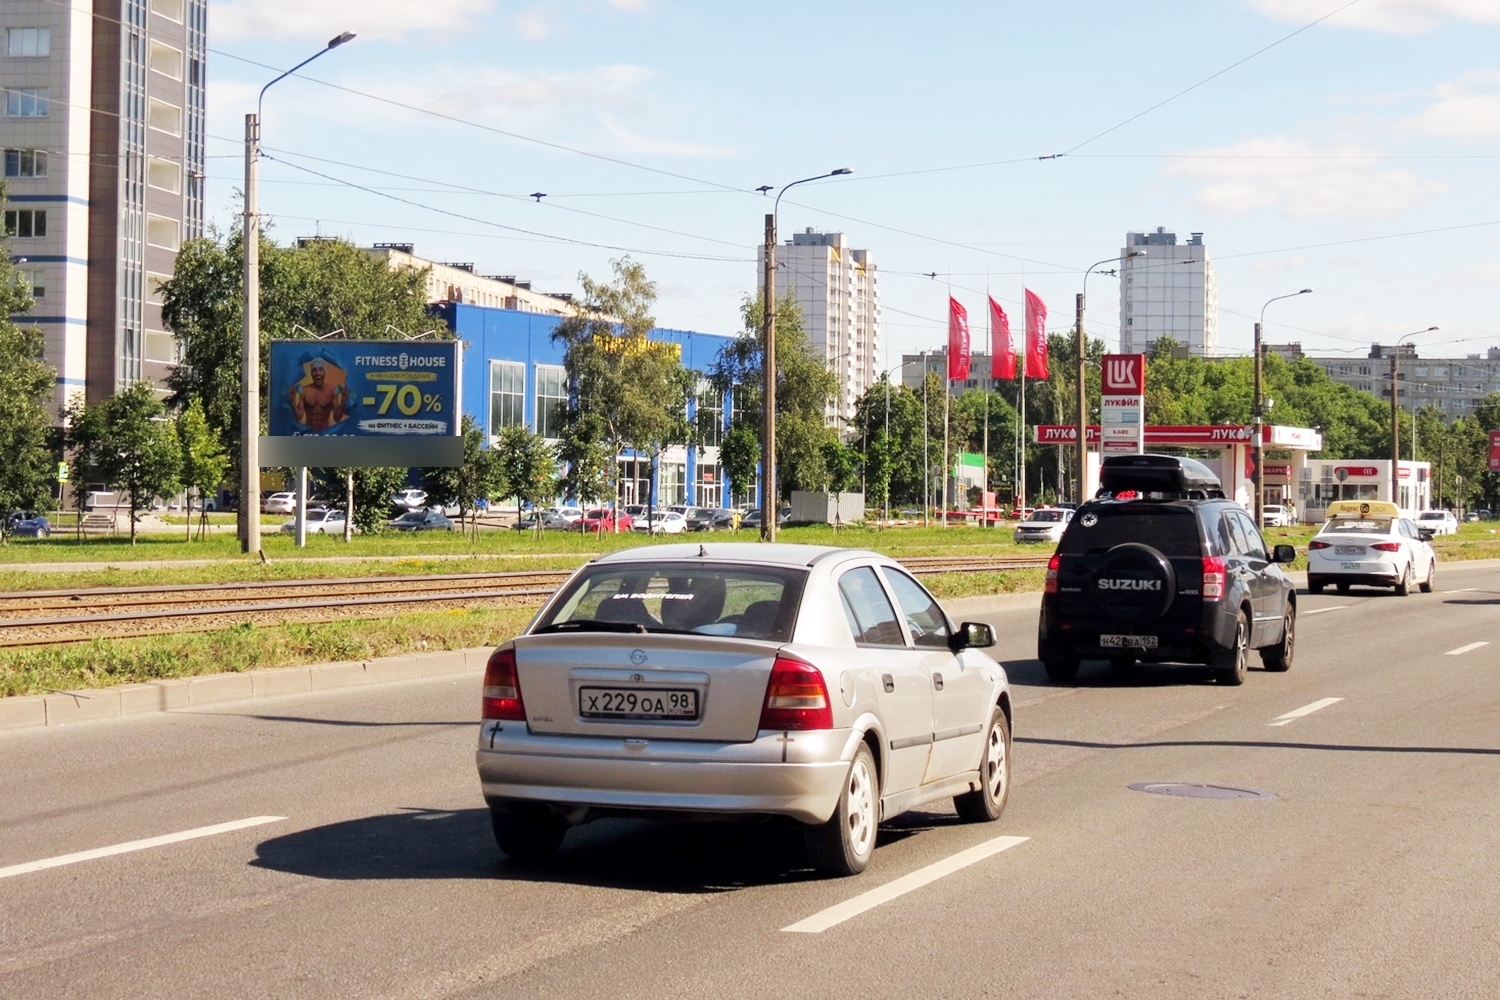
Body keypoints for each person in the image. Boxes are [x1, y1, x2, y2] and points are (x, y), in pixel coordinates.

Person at [290, 357, 348, 431]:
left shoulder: (332, 391)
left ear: (325, 372)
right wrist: (292, 400)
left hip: (325, 433)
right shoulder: (305, 391)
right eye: (314, 370)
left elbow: (337, 418)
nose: (317, 373)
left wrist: (343, 400)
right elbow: (299, 417)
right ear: (311, 373)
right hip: (308, 433)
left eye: (320, 370)